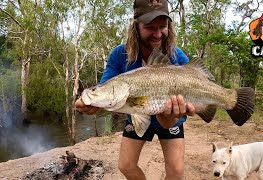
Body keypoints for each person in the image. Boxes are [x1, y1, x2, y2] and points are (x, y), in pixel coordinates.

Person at [75, 0, 196, 179]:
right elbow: (106, 89)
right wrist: (91, 103)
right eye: (149, 27)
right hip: (136, 113)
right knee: (125, 165)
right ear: (136, 27)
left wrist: (171, 116)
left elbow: (186, 102)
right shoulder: (119, 55)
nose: (157, 34)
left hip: (171, 117)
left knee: (176, 172)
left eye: (162, 26)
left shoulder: (177, 57)